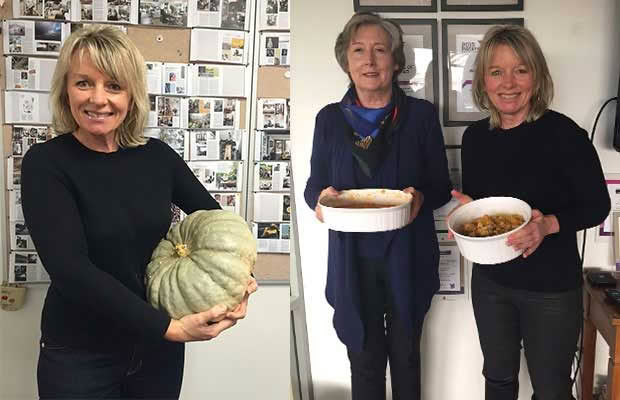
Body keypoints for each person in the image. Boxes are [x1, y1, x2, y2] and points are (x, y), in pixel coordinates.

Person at [21, 25, 257, 400]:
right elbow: (70, 269)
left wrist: (240, 281)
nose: (98, 99)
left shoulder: (157, 157)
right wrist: (169, 328)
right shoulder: (46, 163)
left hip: (157, 354)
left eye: (113, 85)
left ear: (132, 94)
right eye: (84, 83)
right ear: (66, 89)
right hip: (80, 355)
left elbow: (217, 224)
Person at [449, 25, 611, 399]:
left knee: (551, 389)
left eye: (520, 70)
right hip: (491, 285)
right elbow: (484, 208)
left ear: (536, 77)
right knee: (499, 380)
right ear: (483, 82)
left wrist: (548, 225)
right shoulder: (474, 139)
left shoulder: (567, 135)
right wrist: (469, 218)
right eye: (496, 71)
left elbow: (597, 206)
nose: (508, 82)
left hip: (552, 289)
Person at [303, 12, 452, 400]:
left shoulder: (420, 116)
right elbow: (314, 186)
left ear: (396, 61)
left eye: (379, 50)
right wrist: (319, 200)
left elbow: (440, 186)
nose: (369, 60)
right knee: (364, 363)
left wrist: (420, 196)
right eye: (359, 50)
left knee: (406, 359)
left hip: (408, 256)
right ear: (346, 61)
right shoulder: (329, 120)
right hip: (353, 261)